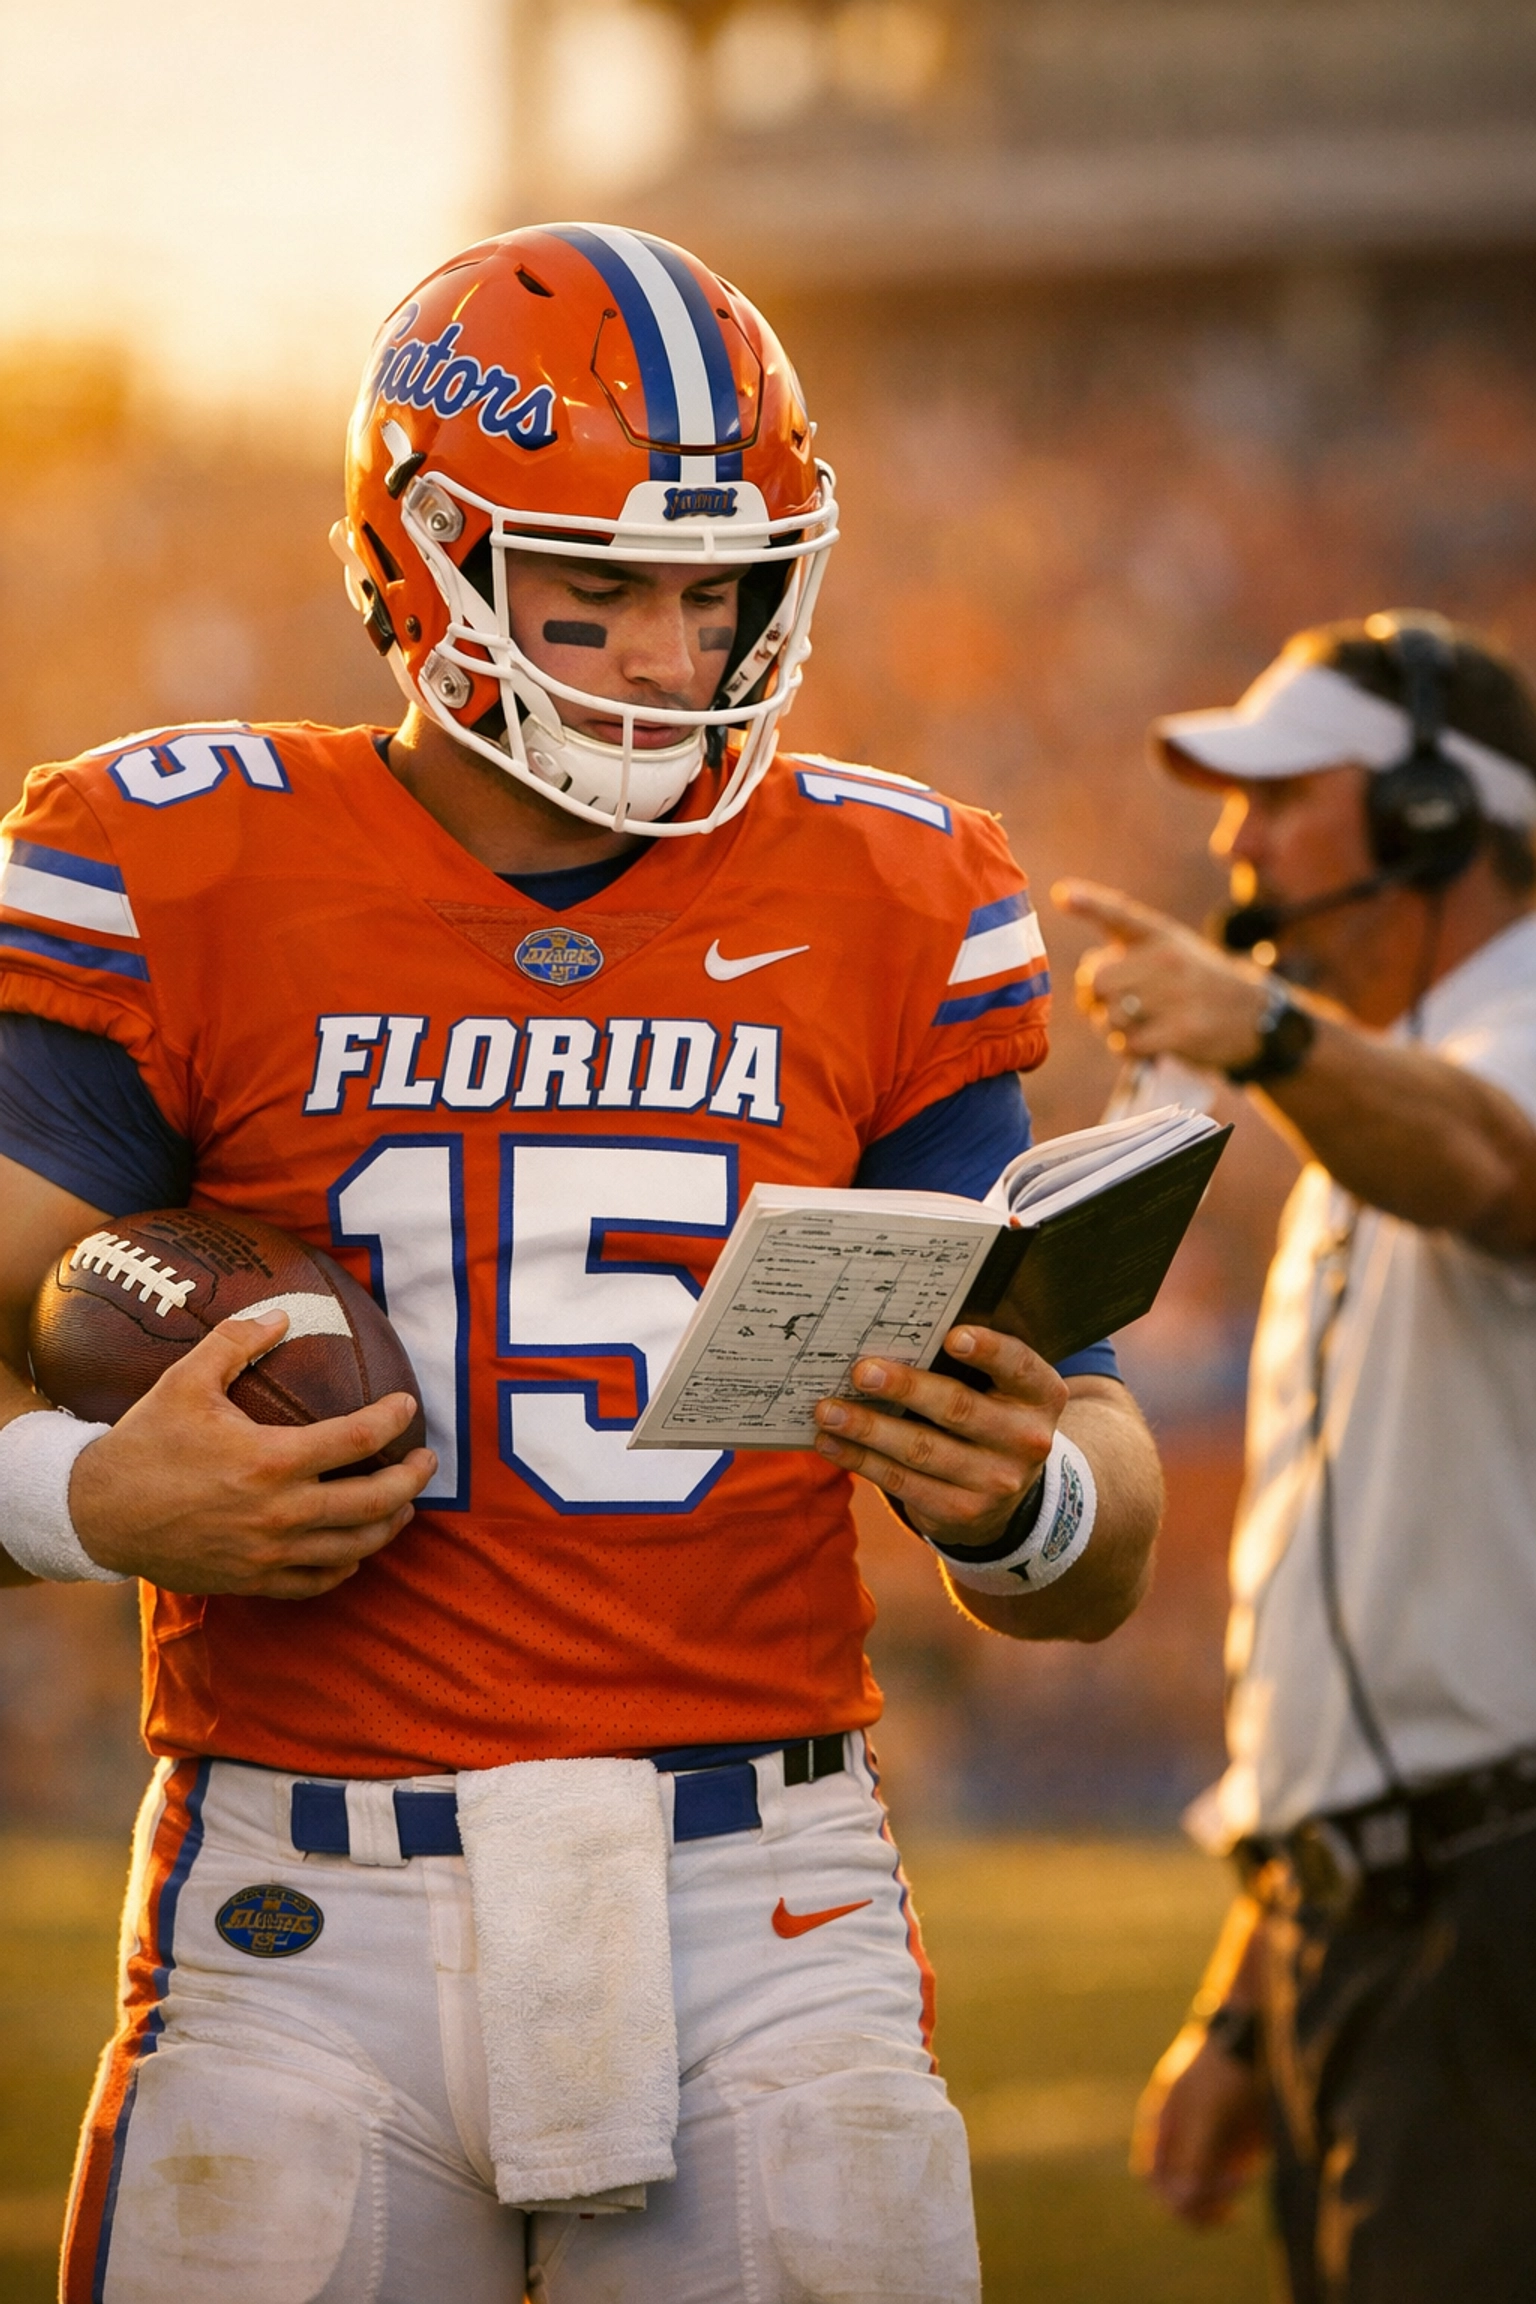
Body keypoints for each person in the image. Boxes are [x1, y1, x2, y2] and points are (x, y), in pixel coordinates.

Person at [0, 225, 1163, 2302]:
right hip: (303, 1904)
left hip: (765, 1895)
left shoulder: (896, 888)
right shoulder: (181, 854)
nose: (660, 651)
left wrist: (1030, 1503)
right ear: (421, 557)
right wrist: (81, 1502)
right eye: (594, 587)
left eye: (714, 591)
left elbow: (1099, 1522)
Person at [1060, 611, 1536, 2304]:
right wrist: (1250, 2000)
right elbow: (1362, 1634)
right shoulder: (1370, 1099)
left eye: (1282, 793)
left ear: (1428, 813)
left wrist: (1262, 1033)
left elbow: (1498, 1167)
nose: (1233, 842)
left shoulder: (1477, 1056)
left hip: (1497, 1920)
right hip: (1378, 1927)